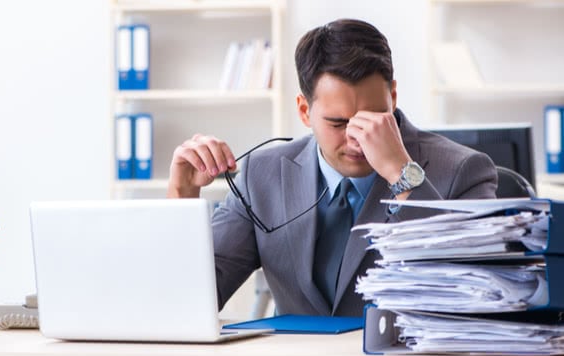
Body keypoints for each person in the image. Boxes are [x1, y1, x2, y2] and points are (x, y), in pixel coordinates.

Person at [167, 19, 498, 317]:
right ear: (303, 111)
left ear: (393, 98)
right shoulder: (261, 175)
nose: (356, 140)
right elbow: (188, 302)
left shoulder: (463, 170)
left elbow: (485, 295)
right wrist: (183, 196)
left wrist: (402, 174)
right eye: (338, 123)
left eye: (371, 120)